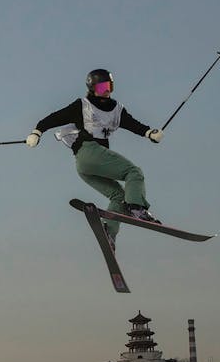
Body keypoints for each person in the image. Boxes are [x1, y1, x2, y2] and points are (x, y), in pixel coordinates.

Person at [26, 69, 163, 247]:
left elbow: (132, 124)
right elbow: (55, 117)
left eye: (109, 86)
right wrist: (37, 132)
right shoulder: (83, 105)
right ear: (92, 88)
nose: (106, 90)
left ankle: (109, 233)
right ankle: (137, 208)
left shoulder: (116, 109)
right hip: (90, 151)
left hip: (86, 167)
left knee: (119, 196)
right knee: (133, 172)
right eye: (102, 87)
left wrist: (149, 133)